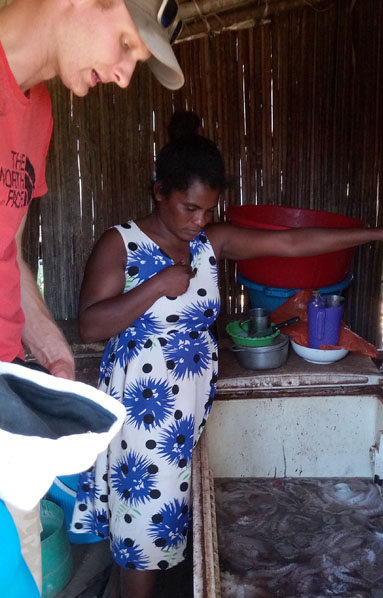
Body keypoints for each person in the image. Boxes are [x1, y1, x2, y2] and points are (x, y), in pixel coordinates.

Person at [70, 110, 383, 598]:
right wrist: (155, 287)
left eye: (209, 210)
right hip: (143, 417)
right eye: (189, 208)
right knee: (144, 538)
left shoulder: (208, 244)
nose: (200, 222)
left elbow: (293, 243)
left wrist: (375, 235)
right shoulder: (122, 244)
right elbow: (91, 324)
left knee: (158, 527)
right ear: (159, 192)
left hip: (186, 416)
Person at [0, 0, 185, 593]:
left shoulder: (38, 113)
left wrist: (51, 350)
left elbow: (10, 255)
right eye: (128, 44)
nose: (125, 74)